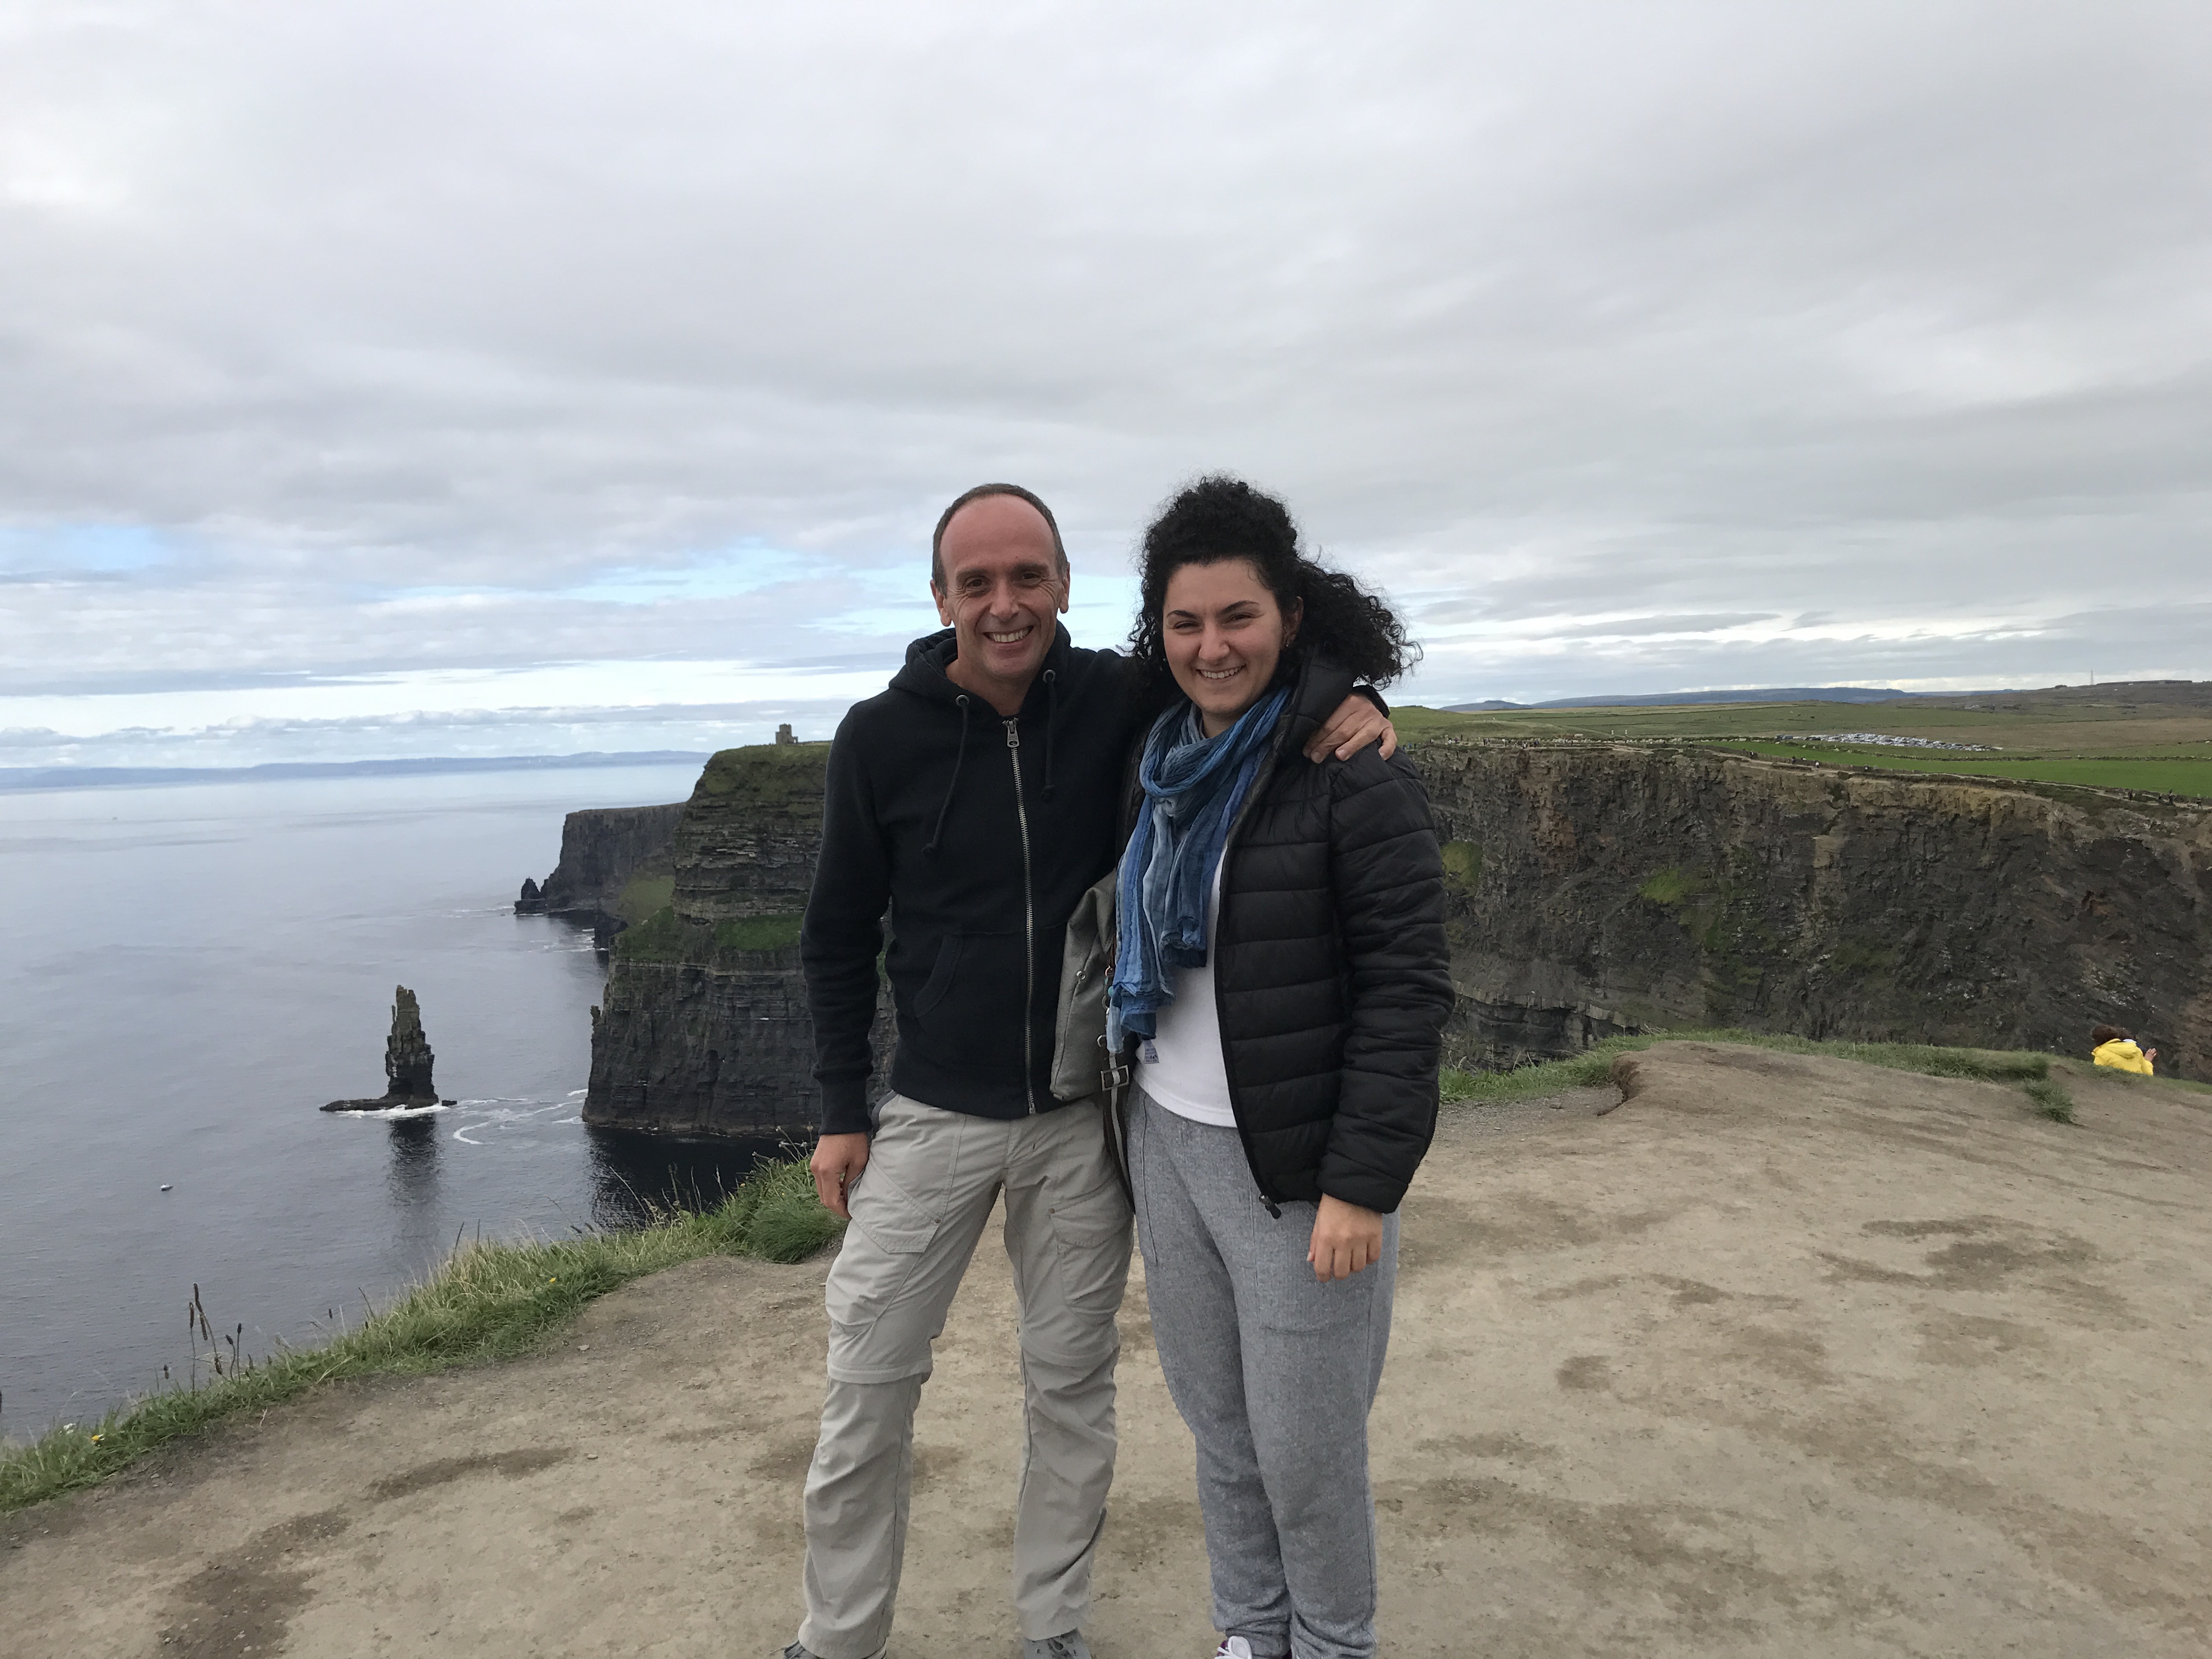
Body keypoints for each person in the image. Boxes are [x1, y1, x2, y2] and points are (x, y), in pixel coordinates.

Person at [787, 482, 1397, 1659]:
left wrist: (1353, 699)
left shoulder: (1120, 699)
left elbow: (1248, 675)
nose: (1005, 604)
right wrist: (837, 1108)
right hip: (932, 1109)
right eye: (977, 582)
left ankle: (1052, 1627)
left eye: (1029, 577)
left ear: (1065, 585)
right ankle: (839, 1635)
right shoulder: (879, 736)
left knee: (1070, 1388)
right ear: (940, 598)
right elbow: (835, 933)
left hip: (1079, 1114)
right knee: (867, 1384)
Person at [1108, 476, 1451, 1659]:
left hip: (1297, 1172)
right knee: (1220, 1431)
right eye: (1185, 622)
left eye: (1237, 617)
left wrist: (1362, 1183)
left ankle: (1335, 1643)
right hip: (1167, 1142)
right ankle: (1251, 1634)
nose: (1212, 647)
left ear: (1291, 616)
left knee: (1307, 1455)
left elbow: (1408, 991)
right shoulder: (1157, 759)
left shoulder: (1351, 773)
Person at [2090, 1023, 2157, 1075]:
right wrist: (2147, 1061)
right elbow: (2148, 1074)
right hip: (2136, 1085)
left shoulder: (2101, 1054)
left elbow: (2097, 1074)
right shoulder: (2135, 1049)